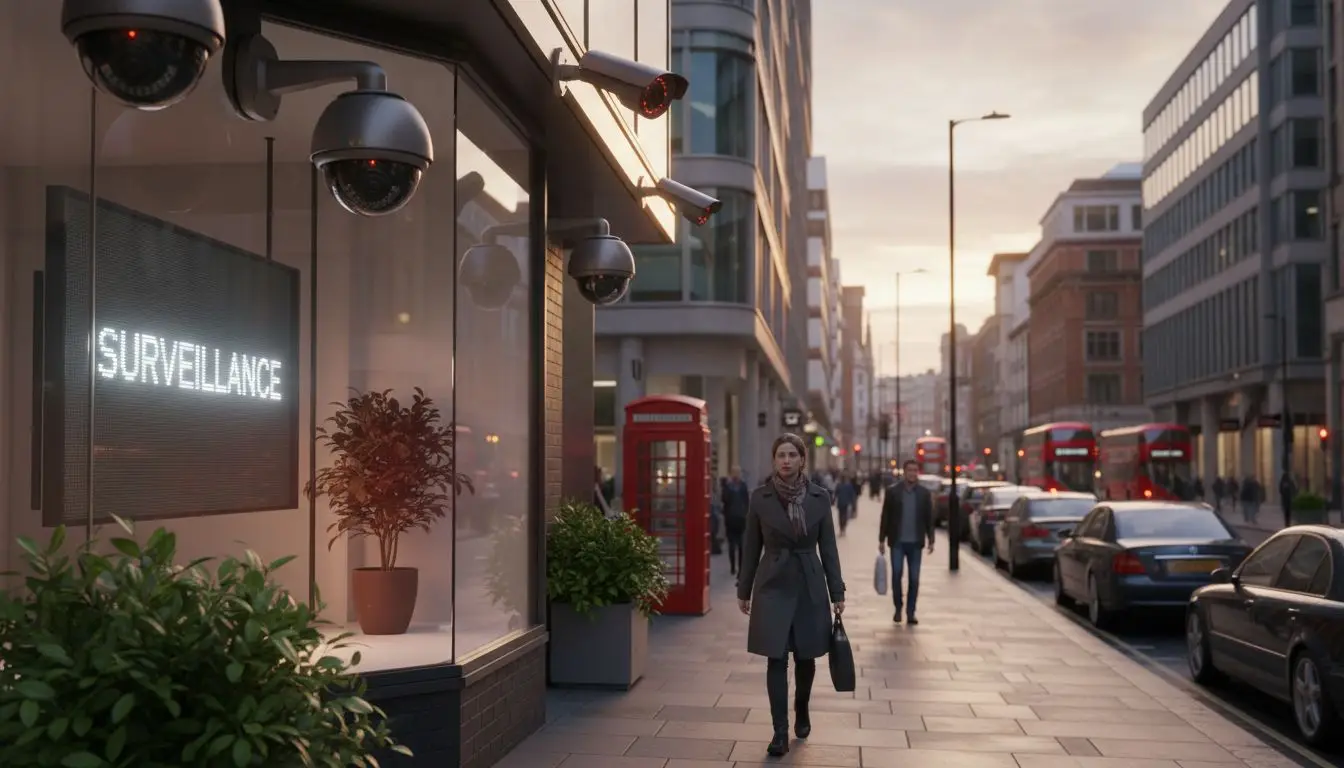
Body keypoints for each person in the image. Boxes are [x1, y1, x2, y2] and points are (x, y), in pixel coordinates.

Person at [737, 433, 845, 758]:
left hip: (809, 583)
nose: (786, 460)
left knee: (806, 657)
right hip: (772, 583)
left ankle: (802, 705)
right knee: (776, 657)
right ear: (774, 460)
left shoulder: (820, 497)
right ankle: (780, 732)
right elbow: (750, 547)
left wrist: (837, 591)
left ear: (802, 459)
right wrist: (744, 589)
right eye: (780, 455)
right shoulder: (760, 498)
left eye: (792, 455)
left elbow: (829, 548)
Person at [878, 459, 935, 625]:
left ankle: (911, 612)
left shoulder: (924, 494)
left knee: (914, 579)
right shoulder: (893, 492)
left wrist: (931, 539)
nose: (912, 473)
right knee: (896, 575)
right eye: (910, 470)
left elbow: (929, 518)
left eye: (915, 470)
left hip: (916, 542)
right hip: (897, 541)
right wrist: (881, 539)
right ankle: (898, 608)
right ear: (904, 472)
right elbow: (885, 516)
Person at [722, 467, 751, 576]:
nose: (736, 475)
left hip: (737, 519)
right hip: (734, 519)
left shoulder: (734, 486)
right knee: (736, 545)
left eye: (737, 473)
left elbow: (725, 500)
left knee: (737, 545)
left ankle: (736, 568)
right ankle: (735, 567)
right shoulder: (738, 486)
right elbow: (746, 502)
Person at [834, 472, 858, 536]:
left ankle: (841, 529)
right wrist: (853, 504)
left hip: (840, 503)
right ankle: (843, 528)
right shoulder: (849, 485)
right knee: (844, 516)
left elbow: (835, 494)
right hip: (846, 504)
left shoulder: (839, 485)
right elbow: (852, 495)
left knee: (840, 516)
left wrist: (834, 500)